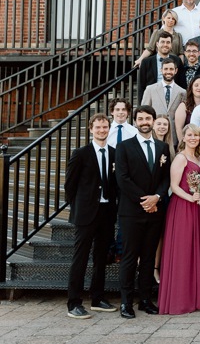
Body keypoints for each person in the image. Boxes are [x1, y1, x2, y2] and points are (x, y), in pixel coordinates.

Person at [115, 105, 171, 319]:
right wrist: (145, 200)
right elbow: (122, 178)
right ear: (135, 121)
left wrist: (157, 197)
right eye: (141, 118)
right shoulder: (124, 147)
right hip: (131, 211)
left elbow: (165, 177)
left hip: (155, 210)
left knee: (148, 258)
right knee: (130, 258)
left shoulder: (161, 147)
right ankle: (126, 302)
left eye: (148, 118)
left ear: (153, 120)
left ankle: (145, 300)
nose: (145, 122)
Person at [65, 113, 118, 319]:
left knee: (101, 258)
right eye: (98, 127)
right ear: (91, 129)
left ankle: (97, 298)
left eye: (105, 127)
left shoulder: (114, 153)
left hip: (107, 213)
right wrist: (80, 206)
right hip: (86, 214)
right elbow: (70, 186)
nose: (102, 131)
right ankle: (74, 303)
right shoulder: (81, 153)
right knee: (80, 257)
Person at [158, 124, 200, 315]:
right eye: (190, 135)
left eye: (196, 135)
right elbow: (174, 185)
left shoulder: (199, 157)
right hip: (182, 207)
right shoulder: (180, 158)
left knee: (194, 250)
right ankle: (179, 299)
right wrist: (191, 198)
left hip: (197, 208)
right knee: (182, 250)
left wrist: (198, 195)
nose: (193, 138)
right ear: (184, 137)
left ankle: (195, 297)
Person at [137, 32, 185, 102]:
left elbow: (182, 83)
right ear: (157, 44)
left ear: (171, 45)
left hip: (173, 99)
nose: (165, 45)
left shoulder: (177, 61)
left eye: (168, 42)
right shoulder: (146, 62)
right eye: (162, 42)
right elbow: (141, 86)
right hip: (152, 99)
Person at [174, 76, 200, 142]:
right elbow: (179, 128)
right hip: (189, 142)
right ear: (191, 88)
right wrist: (183, 144)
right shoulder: (184, 106)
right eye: (196, 85)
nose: (199, 88)